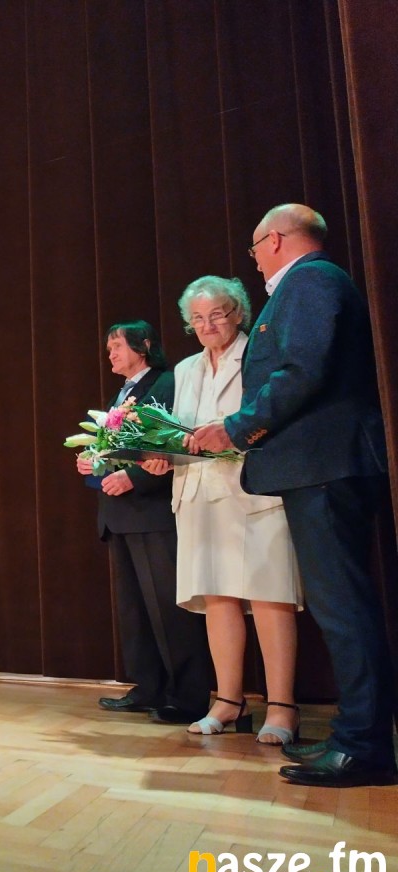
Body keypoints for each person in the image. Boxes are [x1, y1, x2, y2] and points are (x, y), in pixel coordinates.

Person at [190, 204, 395, 787]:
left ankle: (364, 747)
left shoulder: (310, 281)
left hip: (325, 465)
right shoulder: (312, 283)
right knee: (341, 608)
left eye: (255, 248)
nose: (254, 259)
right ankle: (356, 734)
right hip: (321, 465)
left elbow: (302, 371)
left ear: (274, 240)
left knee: (344, 608)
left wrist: (237, 427)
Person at [141, 277, 302, 743]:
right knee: (217, 598)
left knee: (270, 595)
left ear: (238, 313)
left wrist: (230, 436)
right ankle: (229, 700)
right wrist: (161, 456)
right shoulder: (186, 368)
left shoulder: (259, 355)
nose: (207, 325)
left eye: (217, 314)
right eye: (197, 318)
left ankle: (282, 707)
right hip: (197, 492)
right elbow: (180, 432)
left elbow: (274, 417)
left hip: (253, 492)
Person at [77, 321, 211, 724]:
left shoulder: (166, 384)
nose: (111, 354)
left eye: (117, 345)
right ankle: (148, 687)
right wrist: (94, 461)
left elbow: (169, 447)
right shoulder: (123, 393)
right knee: (135, 610)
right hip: (120, 514)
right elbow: (119, 447)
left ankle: (187, 696)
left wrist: (133, 477)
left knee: (169, 610)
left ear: (144, 345)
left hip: (151, 512)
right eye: (108, 348)